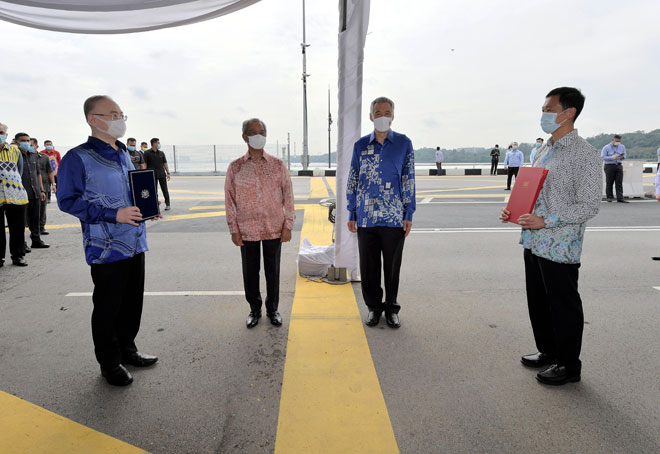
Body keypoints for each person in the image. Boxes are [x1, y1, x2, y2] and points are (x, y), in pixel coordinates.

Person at [500, 87, 601, 386]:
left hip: (560, 244)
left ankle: (569, 365)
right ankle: (548, 351)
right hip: (533, 239)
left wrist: (548, 220)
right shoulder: (544, 149)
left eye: (548, 109)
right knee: (539, 301)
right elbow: (533, 188)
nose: (543, 115)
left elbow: (589, 205)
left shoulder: (585, 155)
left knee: (563, 305)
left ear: (568, 113)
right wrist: (513, 208)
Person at [58, 95, 159, 386]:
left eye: (121, 114)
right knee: (107, 306)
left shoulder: (123, 153)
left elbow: (131, 190)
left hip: (135, 241)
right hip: (106, 248)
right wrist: (114, 214)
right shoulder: (78, 157)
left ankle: (128, 349)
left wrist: (147, 209)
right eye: (113, 114)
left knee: (131, 303)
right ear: (93, 119)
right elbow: (67, 200)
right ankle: (109, 362)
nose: (120, 120)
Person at [347, 96, 416, 329]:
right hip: (366, 217)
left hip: (394, 217)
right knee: (369, 267)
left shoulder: (404, 144)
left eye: (387, 112)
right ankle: (374, 308)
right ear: (371, 116)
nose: (383, 116)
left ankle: (391, 308)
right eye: (378, 113)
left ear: (393, 116)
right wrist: (351, 212)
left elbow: (409, 180)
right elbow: (353, 180)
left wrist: (409, 213)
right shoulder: (360, 146)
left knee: (392, 267)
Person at [225, 118, 295, 329]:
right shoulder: (235, 167)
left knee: (273, 271)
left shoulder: (278, 165)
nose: (259, 135)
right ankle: (254, 309)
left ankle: (272, 308)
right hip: (247, 230)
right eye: (253, 132)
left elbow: (288, 196)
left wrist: (288, 224)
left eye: (262, 131)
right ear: (245, 137)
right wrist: (233, 229)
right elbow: (229, 199)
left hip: (274, 226)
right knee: (250, 270)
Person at [0, 122, 29, 267]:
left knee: (17, 228)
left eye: (1, 132)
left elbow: (20, 171)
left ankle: (18, 256)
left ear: (6, 135)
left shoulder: (14, 151)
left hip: (15, 195)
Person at [18, 135, 48, 250]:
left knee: (35, 218)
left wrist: (41, 190)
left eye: (29, 143)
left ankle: (36, 240)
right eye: (23, 141)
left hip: (35, 191)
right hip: (21, 193)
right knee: (22, 221)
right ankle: (23, 244)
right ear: (17, 142)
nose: (27, 144)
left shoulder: (34, 156)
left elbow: (38, 174)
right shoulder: (16, 155)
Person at [144, 137, 171, 210]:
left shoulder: (161, 153)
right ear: (154, 144)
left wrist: (168, 173)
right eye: (158, 143)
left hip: (162, 174)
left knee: (165, 189)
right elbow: (144, 164)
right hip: (152, 175)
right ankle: (155, 205)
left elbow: (165, 163)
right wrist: (145, 174)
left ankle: (168, 204)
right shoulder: (147, 153)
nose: (159, 144)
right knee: (153, 191)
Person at [601, 135, 628, 203]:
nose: (618, 142)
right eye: (616, 141)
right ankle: (609, 197)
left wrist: (622, 157)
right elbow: (603, 157)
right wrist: (612, 157)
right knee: (609, 182)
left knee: (619, 182)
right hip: (609, 165)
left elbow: (625, 155)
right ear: (613, 140)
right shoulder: (606, 147)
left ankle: (620, 198)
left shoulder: (622, 146)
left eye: (619, 141)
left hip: (618, 165)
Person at [36, 142, 55, 235]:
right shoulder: (26, 157)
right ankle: (33, 227)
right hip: (31, 187)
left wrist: (53, 184)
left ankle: (41, 227)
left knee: (42, 208)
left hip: (45, 185)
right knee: (32, 209)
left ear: (36, 146)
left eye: (31, 144)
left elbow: (50, 171)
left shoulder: (44, 157)